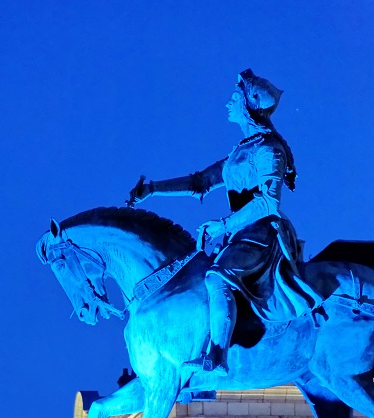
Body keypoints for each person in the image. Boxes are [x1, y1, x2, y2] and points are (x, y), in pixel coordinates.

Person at [129, 69, 321, 376]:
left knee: (217, 277)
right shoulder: (241, 152)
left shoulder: (269, 149)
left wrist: (223, 225)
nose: (228, 103)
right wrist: (152, 189)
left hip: (261, 235)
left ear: (249, 104)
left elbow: (269, 202)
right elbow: (200, 181)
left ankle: (217, 356)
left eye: (234, 98)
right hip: (239, 234)